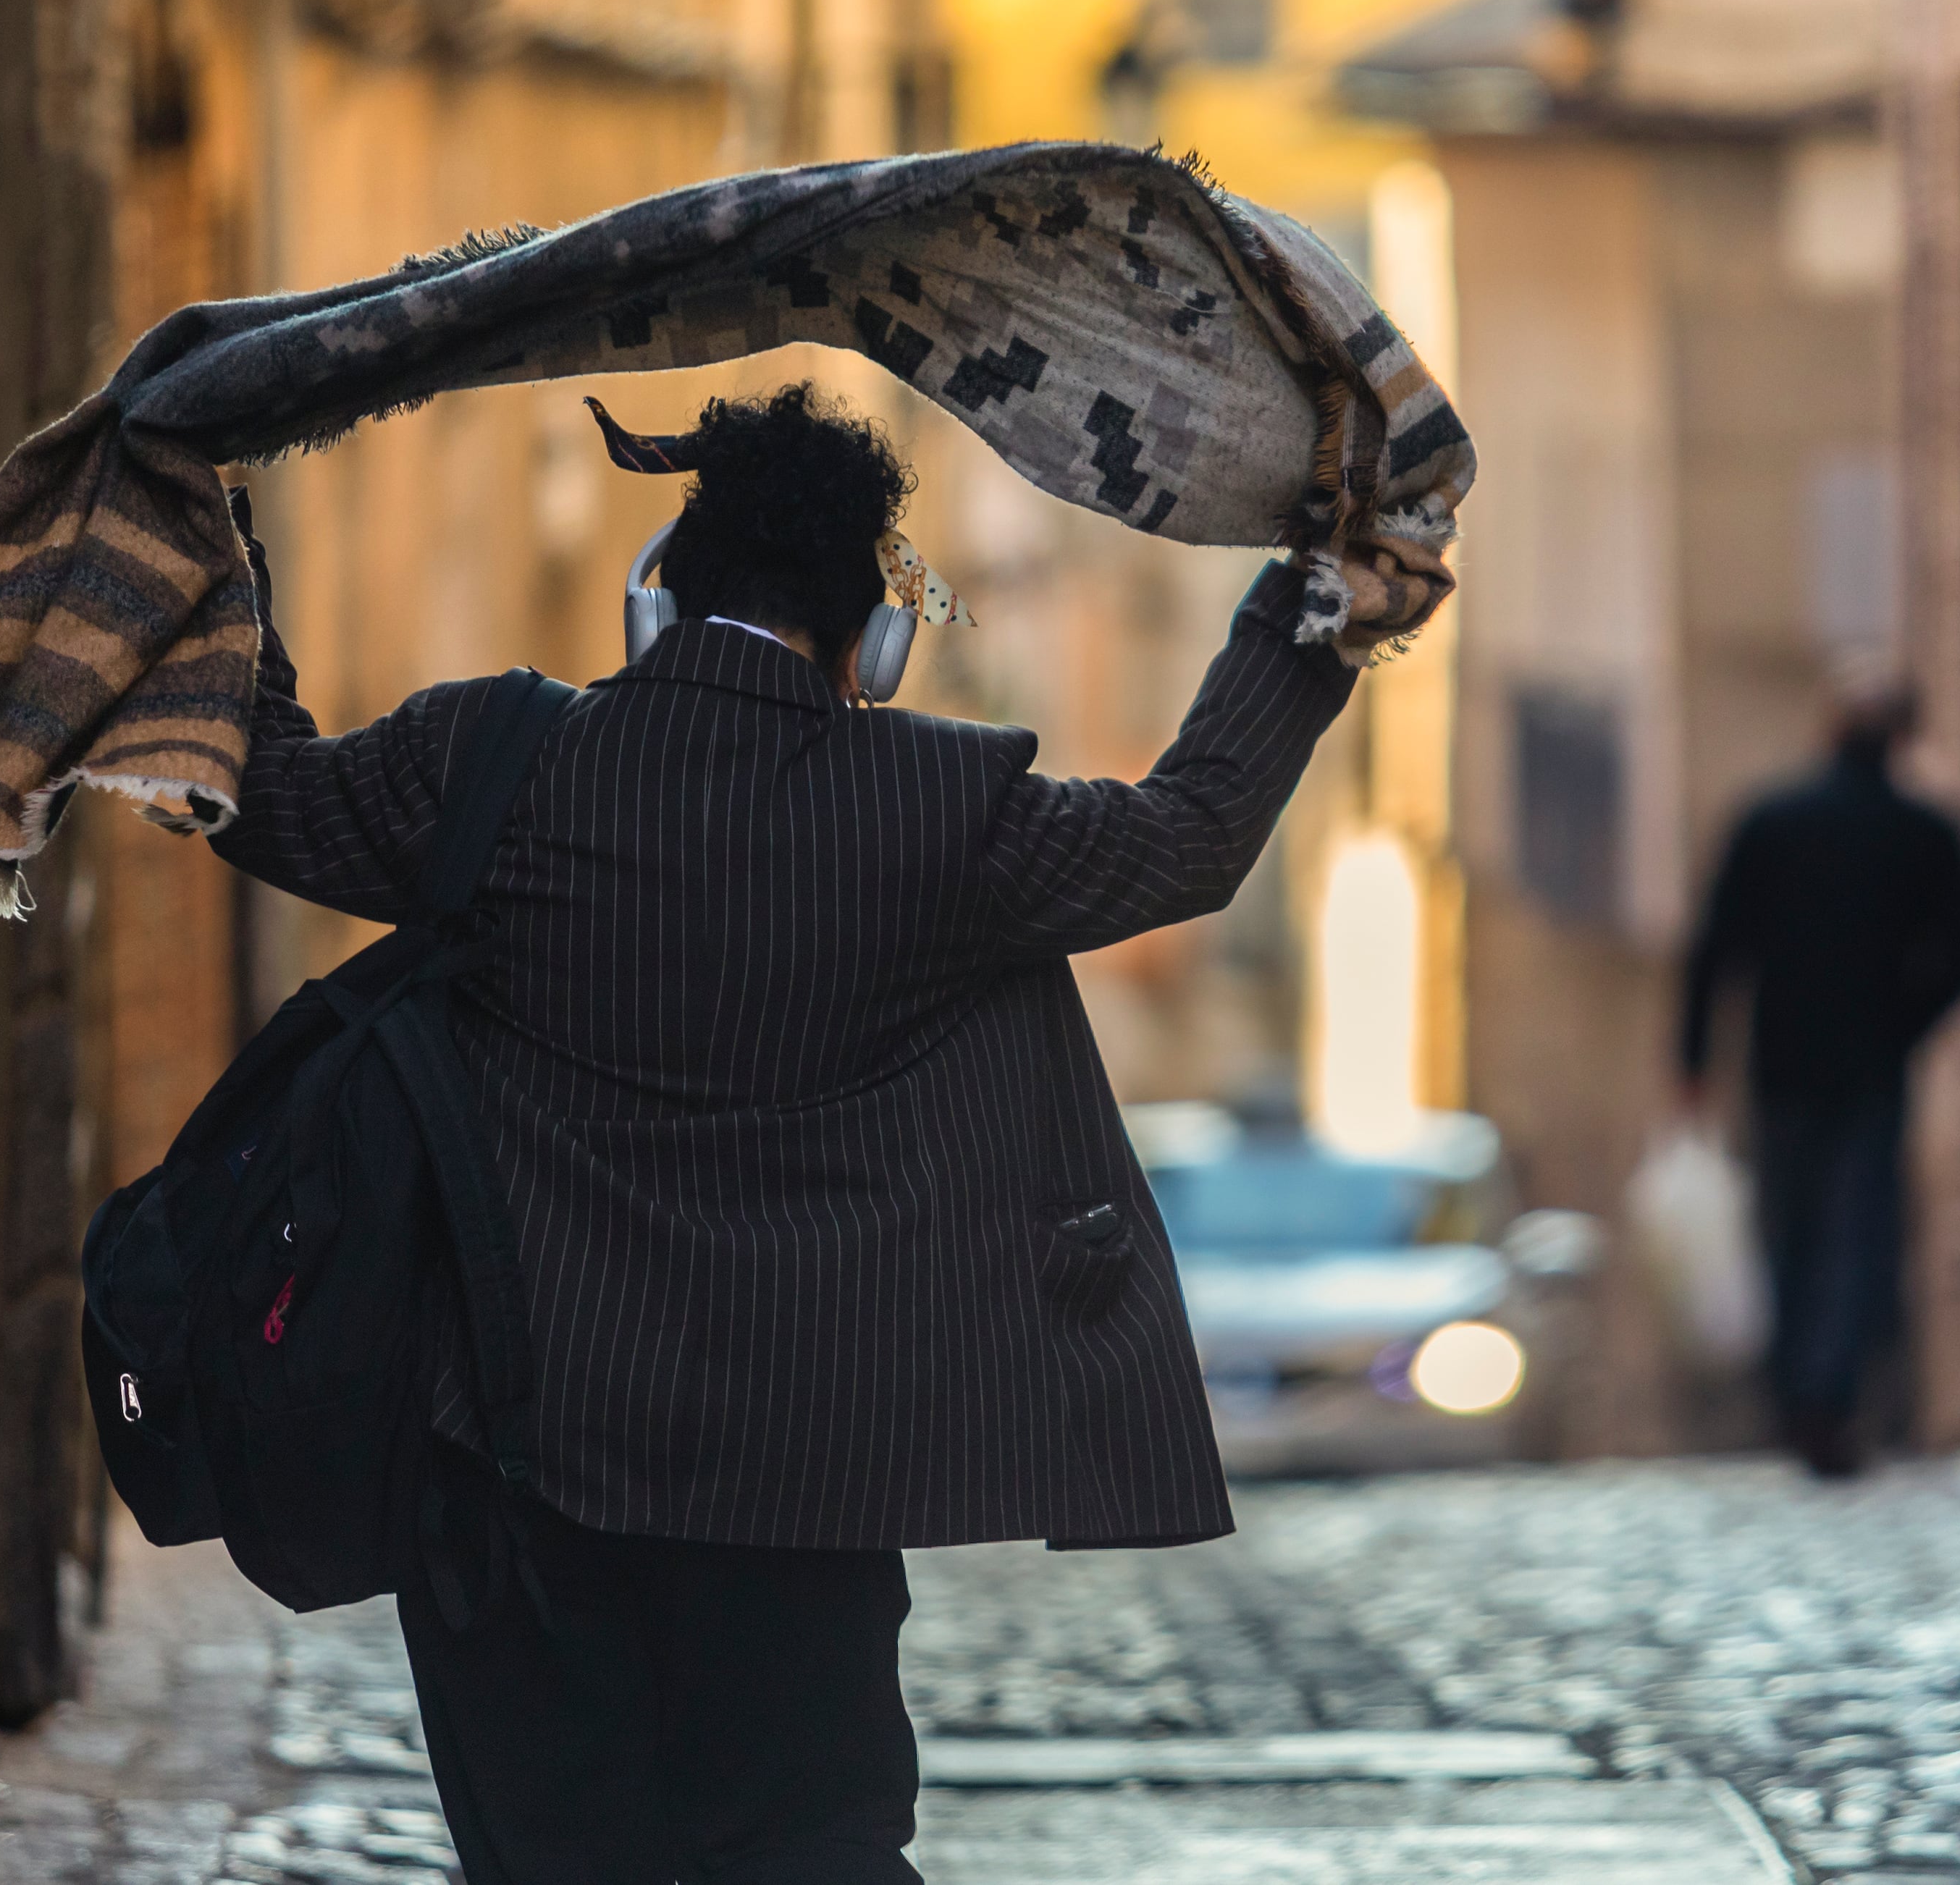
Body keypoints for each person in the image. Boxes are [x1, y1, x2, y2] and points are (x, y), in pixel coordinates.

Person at [209, 381, 1447, 1884]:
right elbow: (1186, 833)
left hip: (514, 1457)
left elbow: (260, 794)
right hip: (799, 1489)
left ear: (654, 599)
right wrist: (1308, 613)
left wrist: (217, 564)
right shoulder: (938, 807)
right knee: (809, 1846)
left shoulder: (491, 765)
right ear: (876, 635)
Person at [1677, 683, 1960, 1478]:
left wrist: (1692, 1062)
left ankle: (1796, 1398)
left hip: (1779, 1066)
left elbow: (1713, 949)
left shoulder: (1770, 821)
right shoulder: (1922, 834)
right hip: (1870, 1068)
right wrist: (1905, 1023)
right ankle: (1828, 1393)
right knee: (1856, 1236)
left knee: (1789, 1232)